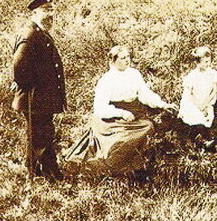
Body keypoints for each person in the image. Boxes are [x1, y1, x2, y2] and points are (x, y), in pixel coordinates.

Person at [64, 45, 174, 176]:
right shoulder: (106, 80)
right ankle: (110, 167)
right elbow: (100, 108)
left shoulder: (134, 74)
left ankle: (137, 166)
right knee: (120, 140)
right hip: (113, 117)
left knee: (148, 127)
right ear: (113, 61)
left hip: (135, 113)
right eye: (122, 58)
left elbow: (144, 93)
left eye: (128, 57)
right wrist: (122, 113)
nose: (127, 60)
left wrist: (162, 104)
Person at [11, 0, 66, 181]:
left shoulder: (41, 33)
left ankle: (43, 172)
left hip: (42, 98)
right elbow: (18, 68)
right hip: (34, 99)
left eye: (52, 10)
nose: (50, 14)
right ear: (34, 13)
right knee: (40, 138)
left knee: (43, 135)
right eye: (45, 10)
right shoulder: (30, 35)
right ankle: (44, 176)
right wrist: (29, 87)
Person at [177, 47, 217, 142]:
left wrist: (205, 104)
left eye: (209, 61)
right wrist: (198, 105)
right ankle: (202, 140)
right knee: (196, 117)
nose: (208, 64)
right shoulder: (193, 76)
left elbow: (214, 90)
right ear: (197, 63)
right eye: (205, 62)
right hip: (193, 102)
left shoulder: (211, 73)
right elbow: (189, 94)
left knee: (207, 117)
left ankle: (208, 139)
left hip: (206, 101)